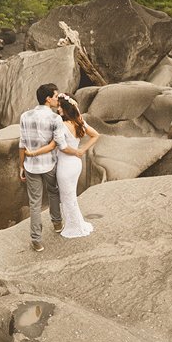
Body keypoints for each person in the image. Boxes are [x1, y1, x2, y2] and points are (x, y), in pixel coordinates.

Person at [26, 92, 100, 238]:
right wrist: (81, 151)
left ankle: (74, 227)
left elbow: (57, 147)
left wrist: (33, 153)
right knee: (70, 195)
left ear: (66, 107)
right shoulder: (80, 122)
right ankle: (77, 223)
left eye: (60, 107)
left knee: (67, 197)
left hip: (65, 166)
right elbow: (96, 135)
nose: (58, 109)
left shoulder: (62, 125)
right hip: (76, 164)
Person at [19, 84, 82, 252]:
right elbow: (59, 145)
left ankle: (37, 241)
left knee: (34, 203)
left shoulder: (25, 116)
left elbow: (22, 144)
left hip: (31, 167)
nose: (57, 99)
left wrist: (21, 165)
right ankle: (57, 223)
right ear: (48, 99)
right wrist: (75, 151)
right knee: (53, 191)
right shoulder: (55, 119)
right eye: (55, 96)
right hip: (50, 164)